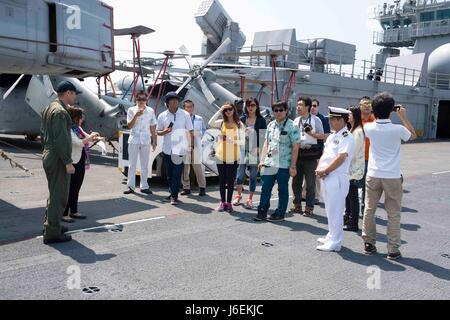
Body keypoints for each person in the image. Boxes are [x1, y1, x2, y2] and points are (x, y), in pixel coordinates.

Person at [362, 92, 417, 260]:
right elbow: (413, 135)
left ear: (374, 110)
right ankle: (393, 249)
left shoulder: (369, 127)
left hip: (373, 173)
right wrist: (403, 116)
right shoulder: (398, 129)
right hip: (392, 175)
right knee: (393, 213)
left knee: (369, 209)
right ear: (391, 110)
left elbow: (373, 118)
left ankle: (369, 243)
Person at [40, 81, 81, 244]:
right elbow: (61, 139)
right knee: (59, 196)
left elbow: (43, 134)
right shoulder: (61, 112)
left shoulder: (49, 108)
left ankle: (51, 225)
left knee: (54, 193)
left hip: (50, 154)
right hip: (58, 157)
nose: (75, 97)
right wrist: (67, 162)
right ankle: (52, 233)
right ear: (68, 93)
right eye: (74, 93)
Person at [316, 107, 355, 252]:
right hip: (327, 176)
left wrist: (325, 171)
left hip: (337, 177)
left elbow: (341, 157)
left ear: (341, 120)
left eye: (333, 119)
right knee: (329, 209)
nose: (330, 122)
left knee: (336, 211)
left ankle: (336, 242)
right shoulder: (333, 136)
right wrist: (319, 168)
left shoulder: (347, 137)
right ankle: (331, 235)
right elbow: (325, 155)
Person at [255, 101, 300, 222]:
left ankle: (280, 213)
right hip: (270, 163)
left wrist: (293, 165)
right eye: (276, 110)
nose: (278, 112)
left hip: (284, 164)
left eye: (281, 110)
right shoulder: (270, 125)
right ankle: (262, 211)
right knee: (265, 188)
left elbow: (295, 146)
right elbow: (266, 143)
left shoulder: (292, 126)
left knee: (283, 190)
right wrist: (262, 160)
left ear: (286, 111)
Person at [63, 107, 103, 222]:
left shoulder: (78, 128)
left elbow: (86, 137)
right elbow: (78, 143)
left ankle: (74, 211)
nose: (82, 119)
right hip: (72, 160)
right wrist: (90, 137)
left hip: (81, 159)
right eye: (81, 117)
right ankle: (64, 213)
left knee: (76, 186)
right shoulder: (69, 129)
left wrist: (97, 138)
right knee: (69, 188)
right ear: (76, 118)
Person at [157, 92, 193, 205]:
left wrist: (190, 145)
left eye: (176, 100)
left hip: (180, 149)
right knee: (169, 174)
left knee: (177, 174)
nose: (175, 102)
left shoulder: (185, 115)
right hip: (167, 149)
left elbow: (191, 131)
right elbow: (158, 132)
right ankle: (172, 192)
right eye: (172, 100)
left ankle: (174, 196)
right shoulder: (162, 115)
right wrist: (164, 131)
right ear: (167, 102)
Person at [291, 96, 324, 217]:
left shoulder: (316, 120)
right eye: (298, 104)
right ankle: (297, 205)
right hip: (298, 154)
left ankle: (309, 207)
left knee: (310, 184)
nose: (298, 107)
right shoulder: (295, 121)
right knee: (296, 182)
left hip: (311, 155)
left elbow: (323, 136)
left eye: (301, 105)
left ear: (307, 107)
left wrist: (311, 133)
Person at [208, 102, 244, 213]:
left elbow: (242, 141)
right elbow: (210, 123)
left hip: (232, 156)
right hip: (220, 155)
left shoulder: (239, 124)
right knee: (222, 180)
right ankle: (222, 202)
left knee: (230, 180)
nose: (228, 111)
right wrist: (219, 110)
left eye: (230, 109)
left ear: (234, 110)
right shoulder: (222, 122)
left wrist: (231, 140)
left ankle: (229, 203)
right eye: (226, 110)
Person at [233, 97, 267, 209]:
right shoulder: (242, 119)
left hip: (254, 151)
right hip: (242, 149)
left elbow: (263, 137)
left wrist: (259, 148)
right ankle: (238, 195)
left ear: (257, 106)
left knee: (252, 176)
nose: (250, 107)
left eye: (253, 105)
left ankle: (250, 199)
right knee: (240, 174)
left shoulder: (261, 120)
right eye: (248, 105)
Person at [124, 91, 157, 195]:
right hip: (134, 139)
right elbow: (129, 126)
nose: (141, 101)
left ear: (146, 100)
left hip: (146, 139)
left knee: (145, 165)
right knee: (132, 164)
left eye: (143, 99)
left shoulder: (151, 111)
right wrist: (136, 115)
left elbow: (152, 126)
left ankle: (144, 186)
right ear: (136, 99)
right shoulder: (131, 110)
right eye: (139, 99)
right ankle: (131, 186)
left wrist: (154, 140)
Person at [344, 106, 365, 232]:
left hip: (354, 169)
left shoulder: (357, 131)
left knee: (353, 196)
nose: (348, 116)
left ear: (355, 116)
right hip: (349, 168)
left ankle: (354, 222)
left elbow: (354, 151)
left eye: (350, 114)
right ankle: (349, 218)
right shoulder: (351, 129)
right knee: (349, 195)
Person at [181, 100, 207, 197]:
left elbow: (203, 130)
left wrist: (196, 134)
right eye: (187, 107)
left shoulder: (199, 118)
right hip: (185, 145)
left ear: (193, 107)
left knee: (198, 168)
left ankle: (202, 188)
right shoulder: (182, 118)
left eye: (190, 107)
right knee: (185, 168)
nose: (189, 109)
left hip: (195, 145)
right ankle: (186, 188)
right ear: (184, 108)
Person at [308, 98, 331, 204]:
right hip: (305, 151)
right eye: (311, 105)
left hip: (317, 151)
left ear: (318, 107)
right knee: (305, 175)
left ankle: (316, 196)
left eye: (314, 106)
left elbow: (326, 135)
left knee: (316, 174)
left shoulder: (322, 119)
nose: (312, 108)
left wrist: (313, 134)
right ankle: (305, 194)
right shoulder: (305, 118)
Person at [360, 97, 376, 215]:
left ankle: (364, 208)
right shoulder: (356, 120)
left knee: (367, 185)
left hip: (369, 158)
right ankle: (351, 208)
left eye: (368, 106)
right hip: (356, 157)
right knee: (353, 184)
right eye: (363, 105)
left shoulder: (375, 120)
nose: (365, 108)